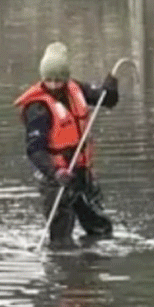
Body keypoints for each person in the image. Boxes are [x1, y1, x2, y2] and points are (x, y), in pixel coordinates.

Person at [14, 42, 119, 248]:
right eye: (49, 80)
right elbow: (35, 150)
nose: (53, 85)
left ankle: (93, 267)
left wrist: (111, 88)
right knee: (61, 241)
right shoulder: (38, 108)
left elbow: (105, 100)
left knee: (100, 227)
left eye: (58, 80)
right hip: (57, 178)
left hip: (80, 172)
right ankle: (62, 273)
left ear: (66, 77)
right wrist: (56, 172)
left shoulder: (75, 88)